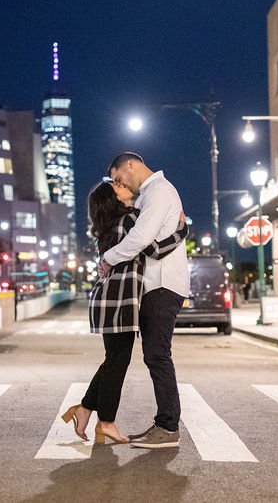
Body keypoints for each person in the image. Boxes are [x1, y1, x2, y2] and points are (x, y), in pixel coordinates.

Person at [63, 181, 187, 445]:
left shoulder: (108, 227)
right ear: (113, 198)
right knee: (117, 362)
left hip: (107, 299)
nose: (121, 185)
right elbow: (154, 248)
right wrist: (182, 229)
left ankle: (85, 409)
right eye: (116, 186)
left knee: (113, 360)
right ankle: (106, 422)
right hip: (120, 300)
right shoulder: (131, 220)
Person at [100, 152, 189, 449]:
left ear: (130, 165)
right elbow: (151, 243)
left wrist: (108, 258)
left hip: (163, 283)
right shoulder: (149, 196)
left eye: (118, 178)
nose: (119, 184)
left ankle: (168, 427)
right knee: (155, 355)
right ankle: (163, 424)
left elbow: (141, 240)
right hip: (155, 285)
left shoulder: (159, 191)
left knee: (157, 355)